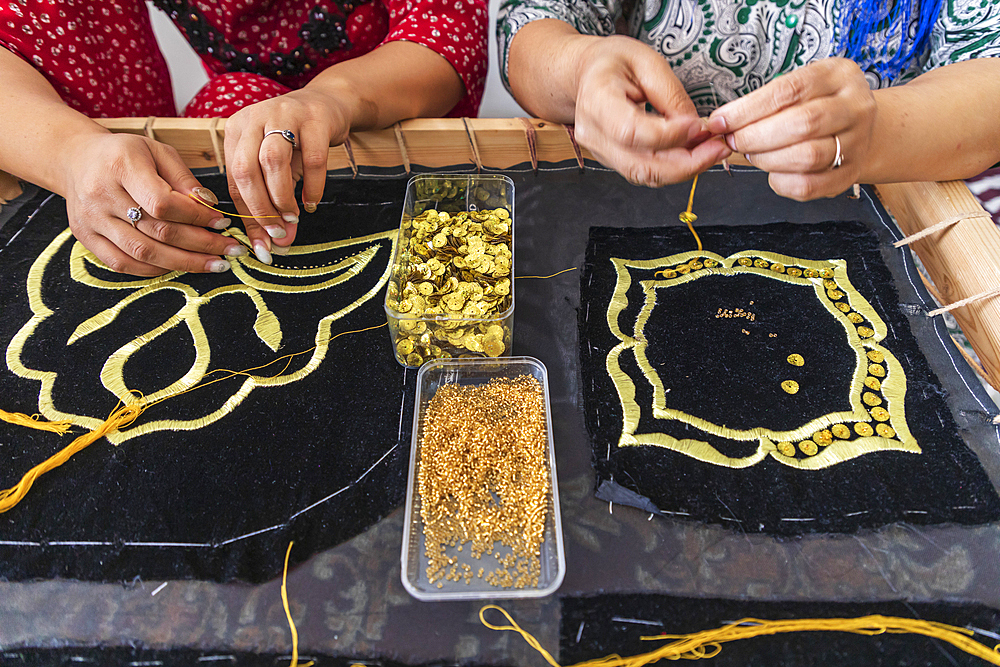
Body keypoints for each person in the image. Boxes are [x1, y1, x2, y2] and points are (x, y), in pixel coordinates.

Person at [0, 0, 487, 275]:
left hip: (390, 116)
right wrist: (72, 150)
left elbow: (446, 29)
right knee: (231, 103)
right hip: (232, 126)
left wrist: (332, 99)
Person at [497, 0, 1000, 201]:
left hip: (886, 210)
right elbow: (531, 32)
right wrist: (584, 67)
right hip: (630, 203)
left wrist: (878, 128)